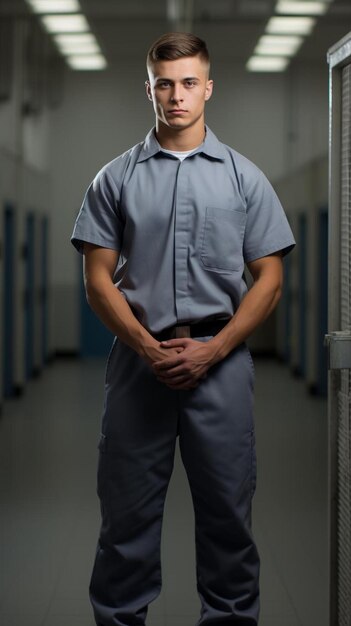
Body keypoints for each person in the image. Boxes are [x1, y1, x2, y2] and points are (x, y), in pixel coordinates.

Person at [71, 31, 295, 626]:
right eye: (165, 84)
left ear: (208, 88)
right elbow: (97, 279)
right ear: (148, 88)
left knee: (227, 518)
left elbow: (268, 279)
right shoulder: (114, 178)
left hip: (219, 365)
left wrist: (213, 349)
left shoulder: (244, 179)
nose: (177, 96)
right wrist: (147, 348)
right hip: (138, 367)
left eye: (189, 83)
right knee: (126, 521)